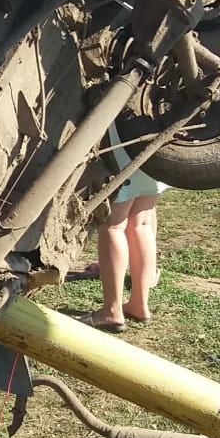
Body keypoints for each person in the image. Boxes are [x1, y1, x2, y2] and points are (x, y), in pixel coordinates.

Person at [76, 127, 169, 332]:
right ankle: (139, 304)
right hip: (159, 142)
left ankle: (111, 311)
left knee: (113, 225)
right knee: (142, 223)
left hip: (126, 141)